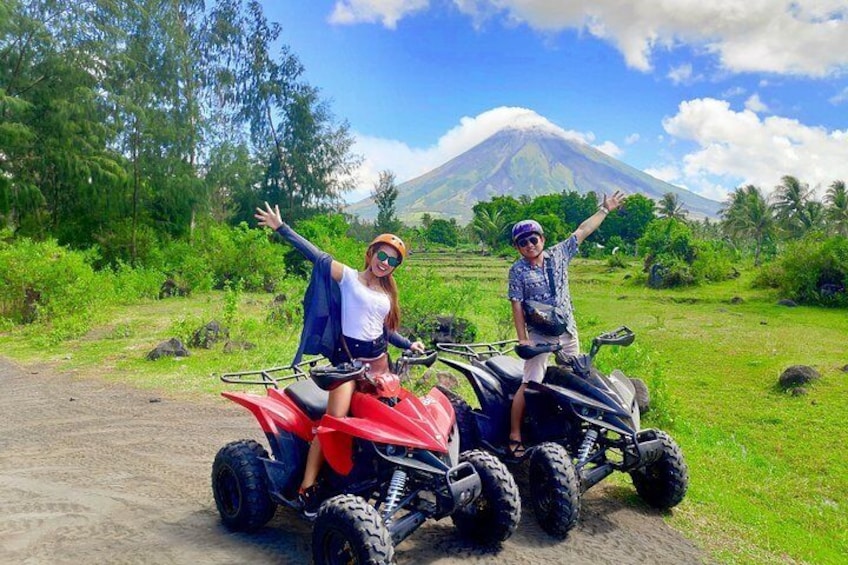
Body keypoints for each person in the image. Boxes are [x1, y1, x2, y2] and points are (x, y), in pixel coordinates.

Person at [254, 202, 425, 516]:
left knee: (396, 420)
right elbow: (316, 255)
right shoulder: (348, 278)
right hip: (349, 368)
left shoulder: (387, 294)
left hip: (381, 367)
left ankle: (384, 474)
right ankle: (307, 488)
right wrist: (282, 228)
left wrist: (408, 344)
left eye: (392, 261)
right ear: (370, 253)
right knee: (333, 425)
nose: (385, 263)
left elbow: (385, 332)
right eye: (381, 255)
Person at [507, 191, 624, 458]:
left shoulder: (559, 255)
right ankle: (514, 433)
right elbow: (516, 304)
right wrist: (523, 339)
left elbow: (583, 230)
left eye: (533, 239)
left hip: (567, 330)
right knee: (530, 382)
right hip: (538, 335)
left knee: (575, 378)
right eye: (522, 242)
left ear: (542, 239)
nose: (529, 245)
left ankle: (576, 430)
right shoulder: (518, 270)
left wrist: (604, 210)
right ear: (517, 247)